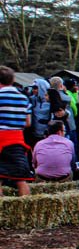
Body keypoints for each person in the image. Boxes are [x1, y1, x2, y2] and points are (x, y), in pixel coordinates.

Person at [0, 66, 34, 196]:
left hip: (1, 139)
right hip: (18, 139)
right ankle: (26, 209)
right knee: (20, 178)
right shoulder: (24, 98)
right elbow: (28, 122)